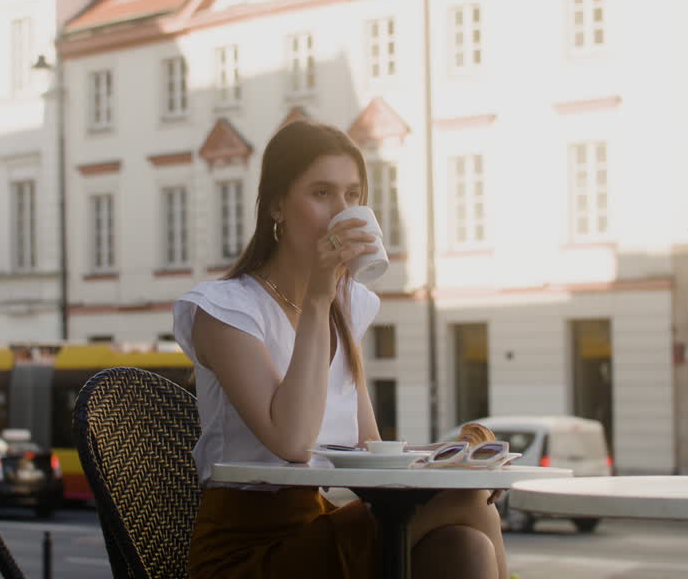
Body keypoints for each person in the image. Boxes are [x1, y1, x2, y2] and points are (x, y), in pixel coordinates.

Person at [173, 120, 508, 579]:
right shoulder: (224, 309)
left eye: (353, 195)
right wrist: (317, 297)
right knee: (466, 505)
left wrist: (451, 458)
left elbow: (368, 449)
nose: (342, 211)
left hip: (316, 527)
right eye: (323, 193)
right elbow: (292, 442)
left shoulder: (349, 305)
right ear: (277, 205)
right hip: (243, 554)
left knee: (463, 543)